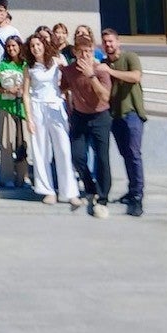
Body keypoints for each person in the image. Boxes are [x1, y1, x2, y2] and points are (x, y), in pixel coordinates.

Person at [61, 31, 114, 218]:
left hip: (100, 116)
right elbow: (62, 86)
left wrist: (91, 76)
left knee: (102, 158)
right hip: (79, 116)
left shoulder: (101, 70)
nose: (85, 55)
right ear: (75, 52)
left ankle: (103, 199)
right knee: (77, 156)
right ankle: (90, 187)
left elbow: (105, 96)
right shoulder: (69, 70)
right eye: (81, 51)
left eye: (89, 51)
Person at [22, 33, 76, 205]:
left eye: (38, 44)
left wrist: (70, 107)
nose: (36, 48)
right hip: (37, 109)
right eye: (32, 46)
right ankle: (47, 190)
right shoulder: (29, 67)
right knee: (41, 150)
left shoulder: (57, 61)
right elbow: (25, 95)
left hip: (56, 107)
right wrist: (29, 119)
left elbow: (68, 85)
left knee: (63, 149)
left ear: (44, 45)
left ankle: (69, 192)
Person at [102, 28, 147, 217]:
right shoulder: (103, 63)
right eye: (105, 42)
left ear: (118, 42)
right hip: (114, 115)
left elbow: (135, 76)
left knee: (134, 154)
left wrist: (110, 71)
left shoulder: (129, 57)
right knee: (125, 154)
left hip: (132, 113)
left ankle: (137, 197)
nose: (108, 45)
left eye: (111, 41)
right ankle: (131, 191)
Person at [0, 34, 29, 189]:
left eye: (14, 45)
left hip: (23, 108)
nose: (11, 49)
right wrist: (7, 89)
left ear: (20, 46)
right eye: (8, 46)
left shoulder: (26, 65)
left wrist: (23, 90)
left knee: (23, 143)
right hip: (6, 107)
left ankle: (23, 177)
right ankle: (7, 176)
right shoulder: (2, 65)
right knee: (6, 143)